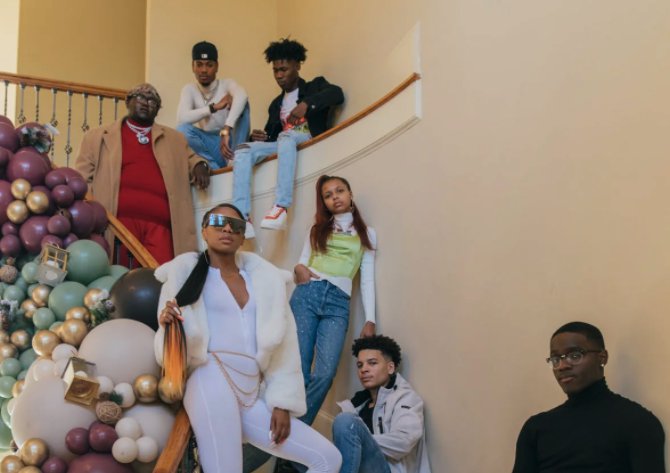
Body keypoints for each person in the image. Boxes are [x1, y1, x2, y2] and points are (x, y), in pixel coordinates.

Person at [154, 204, 342, 473]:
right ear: (204, 231)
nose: (228, 228)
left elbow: (285, 347)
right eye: (219, 222)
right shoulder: (183, 275)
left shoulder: (266, 280)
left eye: (237, 226)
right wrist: (168, 326)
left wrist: (281, 402)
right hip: (210, 379)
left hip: (251, 393)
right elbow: (168, 350)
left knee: (327, 458)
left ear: (243, 236)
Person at [76, 83, 210, 265]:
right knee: (119, 280)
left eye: (152, 101)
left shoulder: (175, 139)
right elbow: (81, 180)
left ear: (157, 110)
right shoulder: (97, 137)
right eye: (141, 98)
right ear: (128, 101)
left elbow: (191, 158)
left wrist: (200, 164)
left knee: (163, 280)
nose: (147, 103)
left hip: (161, 227)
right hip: (117, 225)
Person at [512, 321, 665, 473]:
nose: (562, 366)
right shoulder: (536, 428)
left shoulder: (637, 422)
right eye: (556, 359)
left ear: (602, 358)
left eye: (575, 355)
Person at [231, 38, 344, 237]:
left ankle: (281, 207)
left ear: (297, 66)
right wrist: (257, 138)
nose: (279, 75)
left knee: (286, 136)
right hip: (285, 141)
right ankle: (242, 217)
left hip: (307, 137)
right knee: (243, 149)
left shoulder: (314, 86)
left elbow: (337, 94)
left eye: (284, 69)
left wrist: (307, 105)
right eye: (276, 71)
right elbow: (270, 139)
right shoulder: (276, 104)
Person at [332, 335, 432, 473]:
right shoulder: (355, 405)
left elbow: (404, 441)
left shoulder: (406, 398)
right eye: (360, 365)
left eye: (372, 363)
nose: (364, 369)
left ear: (390, 368)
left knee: (345, 422)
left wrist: (359, 440)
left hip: (388, 469)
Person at [177, 41, 250, 169]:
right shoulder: (189, 89)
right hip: (210, 145)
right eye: (199, 65)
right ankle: (213, 167)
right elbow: (182, 118)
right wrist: (213, 107)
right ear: (192, 67)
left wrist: (226, 129)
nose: (204, 70)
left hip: (231, 142)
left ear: (217, 66)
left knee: (243, 104)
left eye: (209, 65)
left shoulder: (226, 84)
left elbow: (242, 95)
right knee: (182, 130)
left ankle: (237, 159)